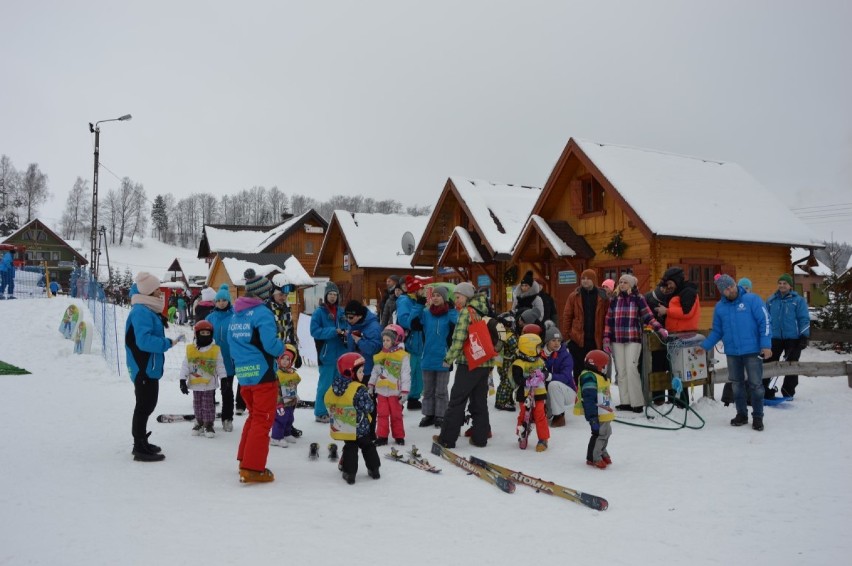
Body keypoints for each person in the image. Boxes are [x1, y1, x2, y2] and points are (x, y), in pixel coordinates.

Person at [696, 275, 772, 431]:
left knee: (756, 385)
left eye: (731, 286)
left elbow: (765, 322)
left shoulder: (752, 300)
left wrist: (766, 345)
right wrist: (705, 346)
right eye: (725, 288)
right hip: (732, 352)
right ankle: (741, 414)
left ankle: (758, 417)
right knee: (736, 385)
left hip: (752, 351)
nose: (729, 290)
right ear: (721, 291)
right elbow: (717, 330)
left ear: (735, 284)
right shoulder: (720, 307)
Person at [229, 269, 284, 483]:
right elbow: (270, 345)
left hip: (244, 375)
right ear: (263, 294)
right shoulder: (263, 313)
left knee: (253, 417)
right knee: (263, 420)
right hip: (263, 374)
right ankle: (252, 469)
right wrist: (283, 348)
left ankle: (245, 458)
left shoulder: (236, 314)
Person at [434, 282, 499, 449]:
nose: (456, 300)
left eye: (458, 297)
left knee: (457, 400)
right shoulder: (483, 308)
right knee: (479, 401)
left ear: (467, 296)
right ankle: (480, 437)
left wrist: (448, 359)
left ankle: (447, 439)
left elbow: (458, 339)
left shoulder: (466, 313)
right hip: (485, 362)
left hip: (468, 363)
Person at [125, 271, 180, 462]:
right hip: (143, 368)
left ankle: (142, 441)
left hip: (149, 367)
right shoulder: (141, 311)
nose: (160, 292)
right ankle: (139, 447)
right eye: (157, 289)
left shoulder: (147, 309)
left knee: (148, 405)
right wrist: (166, 343)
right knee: (143, 406)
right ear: (148, 291)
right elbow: (144, 341)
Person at [604, 274, 668, 412]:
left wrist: (659, 328)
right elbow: (608, 319)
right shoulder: (615, 299)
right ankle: (625, 402)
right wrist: (606, 338)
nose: (621, 284)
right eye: (620, 282)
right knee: (621, 371)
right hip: (617, 340)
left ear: (631, 284)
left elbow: (648, 316)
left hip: (633, 339)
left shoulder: (638, 299)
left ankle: (637, 402)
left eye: (625, 282)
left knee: (631, 368)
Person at [326, 352, 381, 485]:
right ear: (350, 372)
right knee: (367, 446)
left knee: (350, 447)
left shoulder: (335, 387)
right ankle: (374, 469)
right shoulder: (359, 389)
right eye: (360, 371)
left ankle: (349, 473)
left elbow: (328, 401)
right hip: (361, 427)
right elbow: (369, 407)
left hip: (345, 426)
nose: (363, 374)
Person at [414, 285, 458, 427]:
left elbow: (457, 324)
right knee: (427, 390)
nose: (435, 298)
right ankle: (429, 415)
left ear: (444, 298)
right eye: (434, 295)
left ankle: (440, 415)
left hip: (444, 358)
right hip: (427, 357)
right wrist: (419, 305)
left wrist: (451, 309)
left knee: (441, 390)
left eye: (439, 295)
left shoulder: (450, 313)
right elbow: (412, 322)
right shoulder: (426, 313)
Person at [765, 273, 810, 398]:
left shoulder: (798, 300)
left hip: (793, 338)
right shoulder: (771, 300)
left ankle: (788, 391)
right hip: (774, 338)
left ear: (790, 286)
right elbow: (765, 320)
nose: (782, 285)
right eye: (780, 283)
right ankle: (767, 391)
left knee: (791, 364)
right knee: (769, 364)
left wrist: (804, 336)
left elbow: (804, 319)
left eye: (784, 283)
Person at [179, 320, 225, 438]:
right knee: (197, 404)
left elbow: (220, 365)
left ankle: (208, 424)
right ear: (196, 334)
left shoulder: (215, 349)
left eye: (207, 333)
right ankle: (199, 422)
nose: (204, 336)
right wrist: (182, 380)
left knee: (208, 404)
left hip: (209, 383)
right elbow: (185, 365)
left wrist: (224, 379)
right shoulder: (191, 349)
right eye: (202, 333)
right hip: (195, 383)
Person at [310, 282, 348, 423]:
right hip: (326, 354)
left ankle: (336, 410)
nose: (332, 297)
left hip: (341, 354)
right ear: (326, 295)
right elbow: (314, 331)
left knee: (340, 384)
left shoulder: (342, 311)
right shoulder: (319, 312)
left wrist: (346, 332)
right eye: (330, 294)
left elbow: (348, 325)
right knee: (325, 385)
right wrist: (333, 331)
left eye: (335, 295)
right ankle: (320, 412)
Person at [562, 269, 609, 380]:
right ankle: (579, 394)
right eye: (583, 278)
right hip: (578, 341)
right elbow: (567, 316)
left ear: (594, 280)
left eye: (588, 278)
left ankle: (597, 394)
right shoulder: (574, 296)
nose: (585, 281)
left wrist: (606, 337)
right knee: (578, 370)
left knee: (596, 370)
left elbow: (607, 317)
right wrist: (567, 337)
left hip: (596, 340)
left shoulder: (603, 297)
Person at [369, 324, 411, 446]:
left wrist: (404, 392)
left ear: (396, 340)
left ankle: (399, 436)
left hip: (395, 392)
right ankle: (382, 436)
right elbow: (375, 371)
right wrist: (371, 384)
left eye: (388, 340)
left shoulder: (402, 356)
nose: (385, 343)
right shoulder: (380, 355)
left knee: (396, 415)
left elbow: (405, 375)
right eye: (384, 340)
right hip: (381, 391)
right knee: (382, 414)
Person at [574, 350, 615, 469]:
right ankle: (594, 457)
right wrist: (592, 418)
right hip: (597, 413)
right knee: (599, 434)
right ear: (598, 365)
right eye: (604, 366)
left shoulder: (599, 376)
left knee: (606, 433)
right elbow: (588, 399)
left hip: (605, 411)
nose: (606, 369)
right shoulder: (589, 377)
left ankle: (601, 451)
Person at [396, 275, 432, 409]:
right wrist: (418, 307)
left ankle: (414, 397)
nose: (422, 291)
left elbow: (422, 319)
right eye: (420, 289)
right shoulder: (404, 300)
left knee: (418, 371)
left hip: (419, 342)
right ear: (415, 290)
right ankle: (399, 399)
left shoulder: (419, 300)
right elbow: (405, 320)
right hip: (409, 342)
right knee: (407, 372)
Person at [206, 284, 238, 430]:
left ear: (229, 301)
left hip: (228, 360)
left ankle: (227, 418)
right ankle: (209, 418)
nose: (221, 303)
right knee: (209, 390)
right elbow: (202, 335)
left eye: (224, 300)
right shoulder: (210, 317)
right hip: (212, 360)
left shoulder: (235, 317)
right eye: (218, 300)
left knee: (227, 390)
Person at [512, 333, 550, 452]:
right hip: (524, 395)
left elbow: (546, 372)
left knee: (539, 413)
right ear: (529, 348)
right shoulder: (518, 363)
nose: (540, 349)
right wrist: (527, 381)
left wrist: (543, 375)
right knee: (524, 414)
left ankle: (543, 439)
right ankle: (522, 433)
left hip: (538, 393)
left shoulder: (540, 360)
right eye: (538, 347)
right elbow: (517, 378)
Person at [541, 326, 574, 427]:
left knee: (553, 384)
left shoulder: (565, 355)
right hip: (548, 392)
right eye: (553, 340)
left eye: (559, 340)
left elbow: (566, 377)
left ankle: (559, 416)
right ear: (547, 341)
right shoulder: (541, 354)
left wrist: (549, 376)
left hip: (567, 390)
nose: (557, 343)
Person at [343, 299, 383, 382]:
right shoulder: (353, 324)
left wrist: (359, 341)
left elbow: (375, 348)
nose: (348, 320)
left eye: (350, 317)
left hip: (368, 372)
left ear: (360, 316)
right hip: (354, 369)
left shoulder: (374, 327)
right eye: (346, 317)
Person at [270, 344, 301, 447]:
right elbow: (275, 390)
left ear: (291, 362)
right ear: (279, 359)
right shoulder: (276, 374)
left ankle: (286, 433)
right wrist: (277, 403)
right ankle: (276, 437)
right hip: (280, 402)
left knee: (289, 418)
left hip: (290, 401)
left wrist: (295, 396)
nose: (284, 361)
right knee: (280, 419)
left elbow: (293, 386)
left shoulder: (292, 374)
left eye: (288, 359)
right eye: (282, 358)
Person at [494, 312, 518, 412]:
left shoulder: (501, 334)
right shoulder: (510, 336)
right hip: (508, 363)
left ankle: (503, 399)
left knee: (503, 381)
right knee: (508, 382)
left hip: (501, 363)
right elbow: (515, 348)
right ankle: (502, 402)